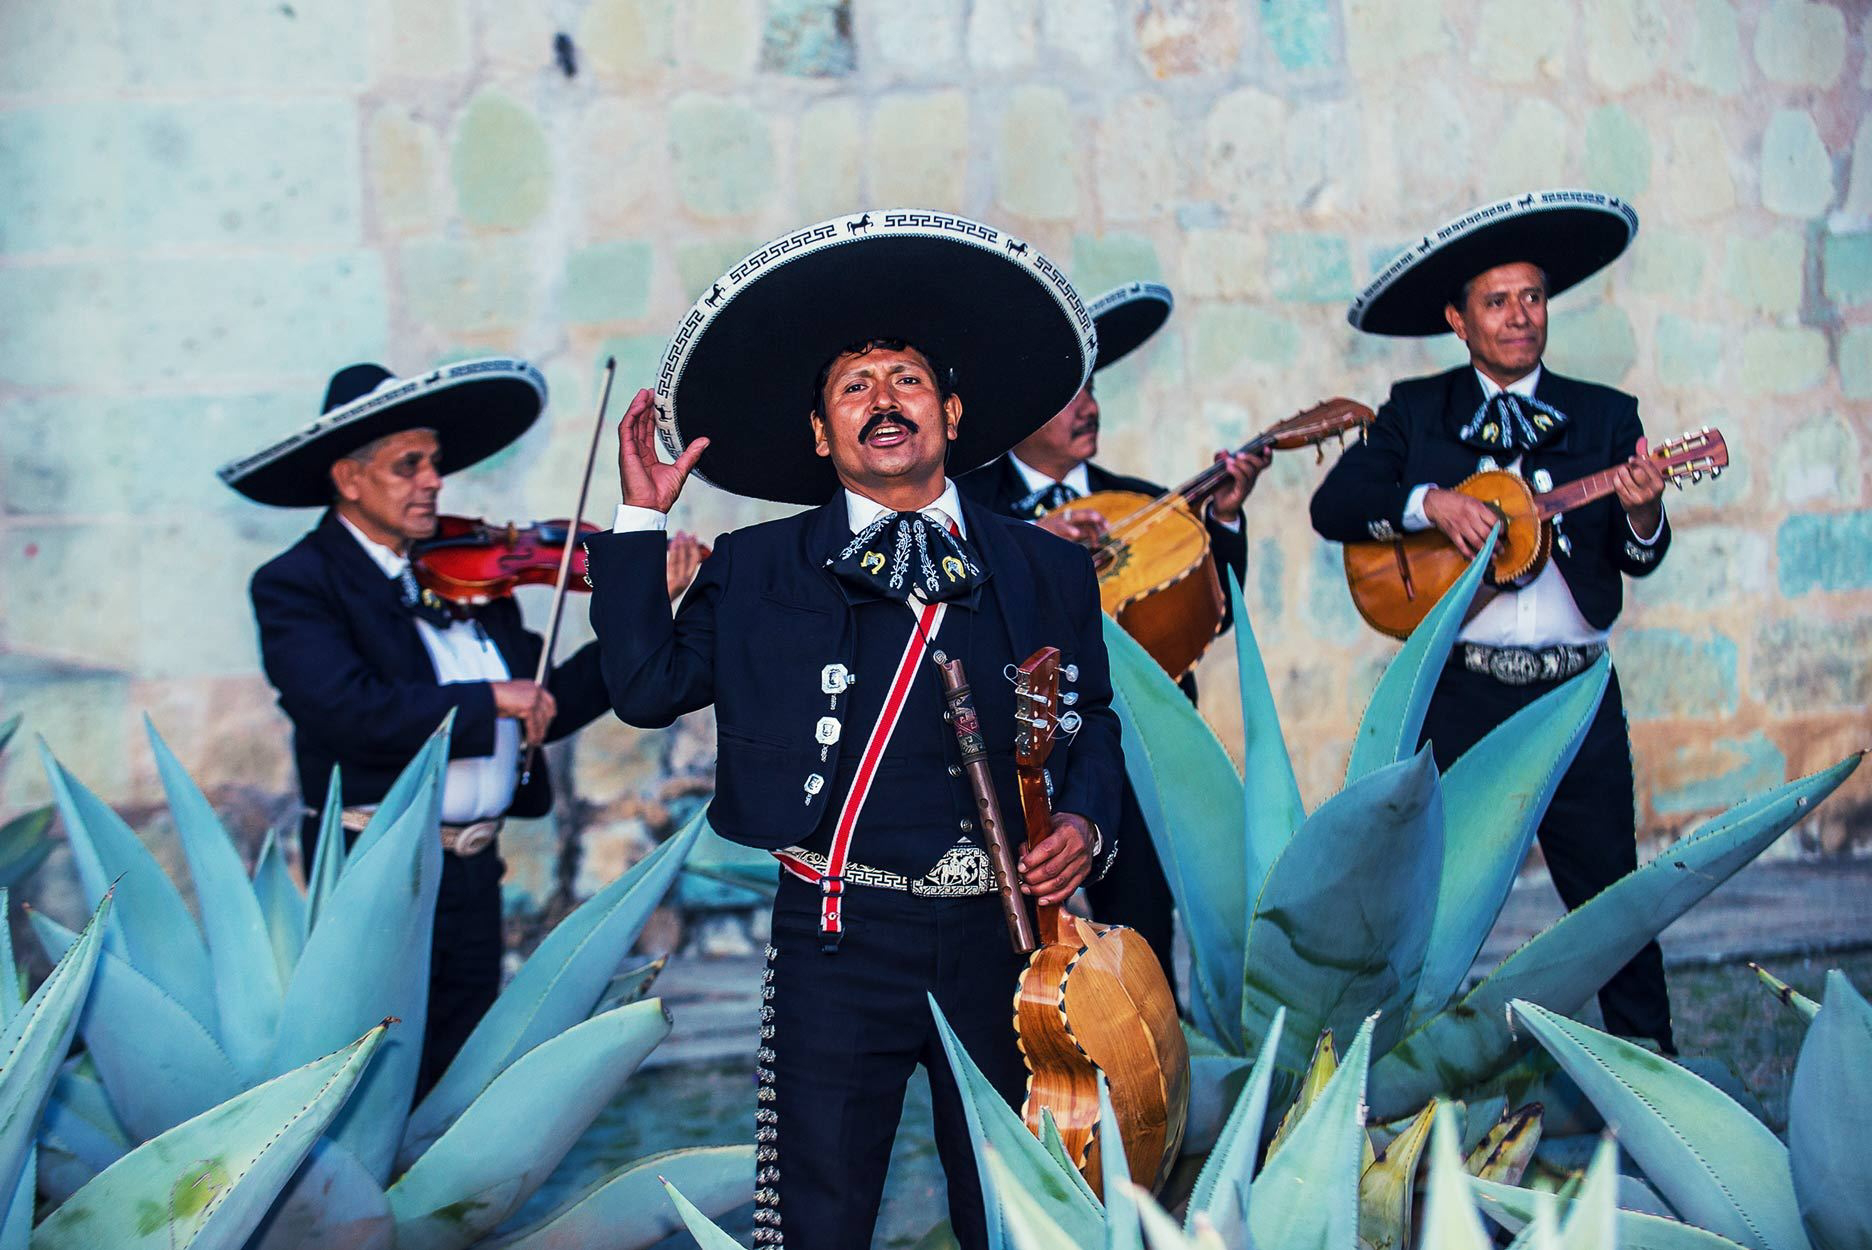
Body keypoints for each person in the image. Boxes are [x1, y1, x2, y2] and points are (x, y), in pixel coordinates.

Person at [583, 211, 1124, 1249]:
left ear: (953, 413)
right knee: (820, 1221)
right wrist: (640, 519)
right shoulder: (755, 569)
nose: (884, 399)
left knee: (1016, 1213)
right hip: (836, 935)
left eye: (907, 379)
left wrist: (1088, 827)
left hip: (1007, 940)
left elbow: (1093, 721)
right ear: (822, 436)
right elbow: (645, 687)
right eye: (855, 387)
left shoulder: (1046, 564)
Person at [1309, 189, 1675, 1051]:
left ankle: (1651, 1068)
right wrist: (1428, 501)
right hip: (1463, 692)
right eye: (1497, 302)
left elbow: (1642, 553)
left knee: (1611, 894)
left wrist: (1646, 512)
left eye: (1533, 298)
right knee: (1432, 894)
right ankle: (1405, 1074)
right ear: (1458, 320)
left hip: (1575, 695)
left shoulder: (1605, 416)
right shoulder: (1416, 409)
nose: (1520, 317)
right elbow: (1336, 503)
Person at [221, 358, 632, 1094]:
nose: (434, 481)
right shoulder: (297, 583)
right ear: (348, 479)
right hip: (377, 866)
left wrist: (641, 616)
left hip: (473, 868)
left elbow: (546, 705)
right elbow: (345, 710)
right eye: (408, 466)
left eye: (434, 463)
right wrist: (488, 701)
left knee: (458, 1066)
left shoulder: (465, 575)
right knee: (375, 1074)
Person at [958, 281, 1266, 996]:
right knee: (1015, 944)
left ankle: (1146, 1078)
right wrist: (1031, 542)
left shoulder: (1142, 499)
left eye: (1092, 390)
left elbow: (1207, 616)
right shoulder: (969, 505)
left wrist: (1222, 523)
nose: (1090, 406)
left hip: (1121, 753)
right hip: (1014, 760)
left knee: (1143, 925)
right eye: (1070, 395)